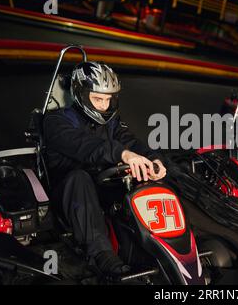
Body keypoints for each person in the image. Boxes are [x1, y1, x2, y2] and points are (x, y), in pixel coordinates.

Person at [43, 61, 166, 276]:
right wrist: (122, 154)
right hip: (67, 194)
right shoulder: (56, 121)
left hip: (103, 184)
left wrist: (153, 160)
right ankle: (102, 255)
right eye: (97, 99)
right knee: (79, 178)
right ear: (81, 95)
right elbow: (85, 146)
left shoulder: (111, 123)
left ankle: (161, 244)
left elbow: (131, 142)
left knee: (143, 180)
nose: (103, 106)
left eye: (108, 99)